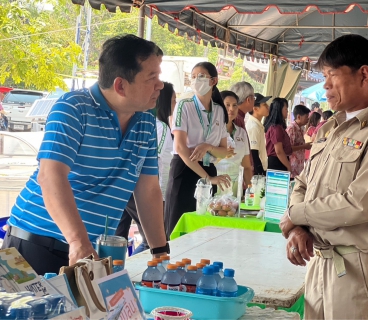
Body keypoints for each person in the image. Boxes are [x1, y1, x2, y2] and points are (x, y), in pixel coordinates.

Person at [2, 35, 170, 275]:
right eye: (151, 78)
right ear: (120, 85)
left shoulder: (145, 122)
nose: (160, 85)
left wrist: (160, 253)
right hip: (36, 245)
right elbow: (51, 177)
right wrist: (78, 242)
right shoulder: (73, 108)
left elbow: (148, 190)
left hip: (89, 251)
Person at [279, 34, 368, 319]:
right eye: (323, 75)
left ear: (364, 74)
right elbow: (304, 182)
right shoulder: (332, 128)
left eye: (332, 75)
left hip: (358, 267)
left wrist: (297, 214)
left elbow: (360, 204)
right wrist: (298, 227)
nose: (326, 85)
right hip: (319, 258)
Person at [164, 62, 232, 238]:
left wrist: (208, 147)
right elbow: (180, 147)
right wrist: (208, 178)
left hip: (209, 169)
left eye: (201, 76)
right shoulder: (184, 105)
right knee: (177, 228)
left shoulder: (219, 110)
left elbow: (224, 151)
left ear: (213, 81)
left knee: (205, 230)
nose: (196, 80)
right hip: (185, 169)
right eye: (193, 76)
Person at [115, 82, 176, 255]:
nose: (175, 105)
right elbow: (152, 166)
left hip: (130, 188)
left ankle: (117, 270)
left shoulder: (146, 122)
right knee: (150, 239)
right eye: (173, 100)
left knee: (118, 237)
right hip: (139, 191)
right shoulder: (160, 127)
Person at [215, 90, 252, 196]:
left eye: (235, 105)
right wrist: (221, 154)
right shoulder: (212, 131)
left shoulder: (241, 132)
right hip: (216, 183)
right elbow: (204, 162)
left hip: (236, 186)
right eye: (227, 105)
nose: (231, 109)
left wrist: (250, 191)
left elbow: (247, 166)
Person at [264, 98, 292, 172]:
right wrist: (288, 166)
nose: (287, 111)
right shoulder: (276, 128)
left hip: (279, 160)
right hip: (277, 162)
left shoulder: (278, 127)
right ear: (279, 110)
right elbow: (279, 151)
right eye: (286, 109)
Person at [246, 93, 271, 175]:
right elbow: (254, 154)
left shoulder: (257, 125)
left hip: (261, 168)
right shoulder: (253, 127)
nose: (268, 107)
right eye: (264, 104)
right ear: (255, 109)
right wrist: (260, 174)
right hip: (257, 171)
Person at [286, 104, 312, 179]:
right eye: (306, 117)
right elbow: (289, 148)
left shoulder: (300, 128)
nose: (308, 119)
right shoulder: (291, 129)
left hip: (299, 165)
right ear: (298, 117)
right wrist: (304, 146)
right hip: (292, 166)